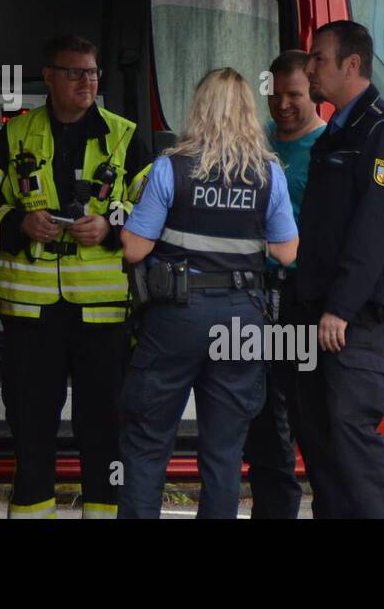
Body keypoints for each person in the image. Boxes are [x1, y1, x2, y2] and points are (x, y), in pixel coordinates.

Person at [0, 35, 151, 519]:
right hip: (32, 314)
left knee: (104, 425)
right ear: (48, 76)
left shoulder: (124, 135)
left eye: (92, 72)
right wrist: (18, 223)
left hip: (104, 314)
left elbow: (155, 210)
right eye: (75, 72)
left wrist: (113, 226)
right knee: (30, 424)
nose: (86, 81)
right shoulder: (14, 135)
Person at [119, 68, 298, 519]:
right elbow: (287, 250)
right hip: (241, 318)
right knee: (223, 452)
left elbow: (134, 247)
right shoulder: (269, 174)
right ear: (248, 113)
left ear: (199, 109)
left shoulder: (170, 167)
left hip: (175, 317)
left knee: (147, 443)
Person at [293, 20, 384, 518]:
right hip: (320, 309)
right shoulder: (338, 132)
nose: (309, 68)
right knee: (320, 435)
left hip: (356, 315)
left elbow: (373, 231)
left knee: (350, 429)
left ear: (352, 65)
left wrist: (340, 308)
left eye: (318, 58)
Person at [242, 50, 326, 519]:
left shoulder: (328, 148)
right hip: (255, 293)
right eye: (274, 95)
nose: (283, 104)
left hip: (302, 299)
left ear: (313, 92)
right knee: (262, 416)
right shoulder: (257, 142)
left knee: (305, 416)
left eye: (294, 94)